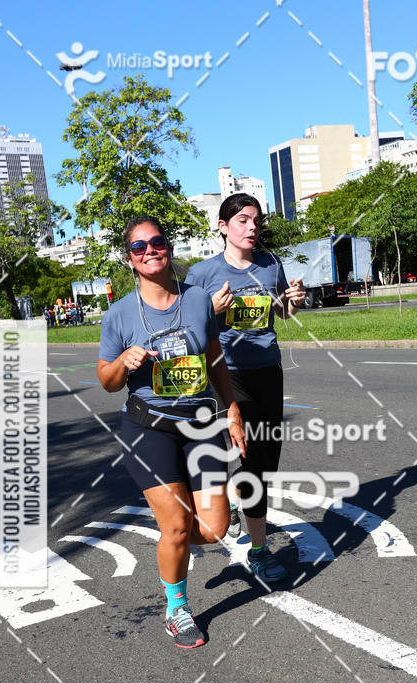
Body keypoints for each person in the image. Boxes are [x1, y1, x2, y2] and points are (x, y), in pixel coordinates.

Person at [97, 215, 246, 649]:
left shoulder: (198, 301)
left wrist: (232, 409)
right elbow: (106, 381)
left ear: (169, 247)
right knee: (178, 526)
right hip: (149, 428)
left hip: (201, 423)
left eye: (156, 242)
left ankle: (200, 527)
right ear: (130, 259)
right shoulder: (119, 314)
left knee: (215, 530)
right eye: (139, 247)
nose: (149, 251)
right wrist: (122, 362)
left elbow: (215, 359)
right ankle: (177, 608)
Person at [185, 193, 305, 583]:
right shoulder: (202, 274)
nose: (252, 227)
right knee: (253, 462)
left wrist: (294, 302)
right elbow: (184, 330)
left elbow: (281, 311)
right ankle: (259, 550)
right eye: (242, 221)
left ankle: (240, 502)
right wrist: (209, 312)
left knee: (267, 462)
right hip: (227, 374)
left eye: (256, 220)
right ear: (223, 227)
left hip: (268, 369)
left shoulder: (271, 264)